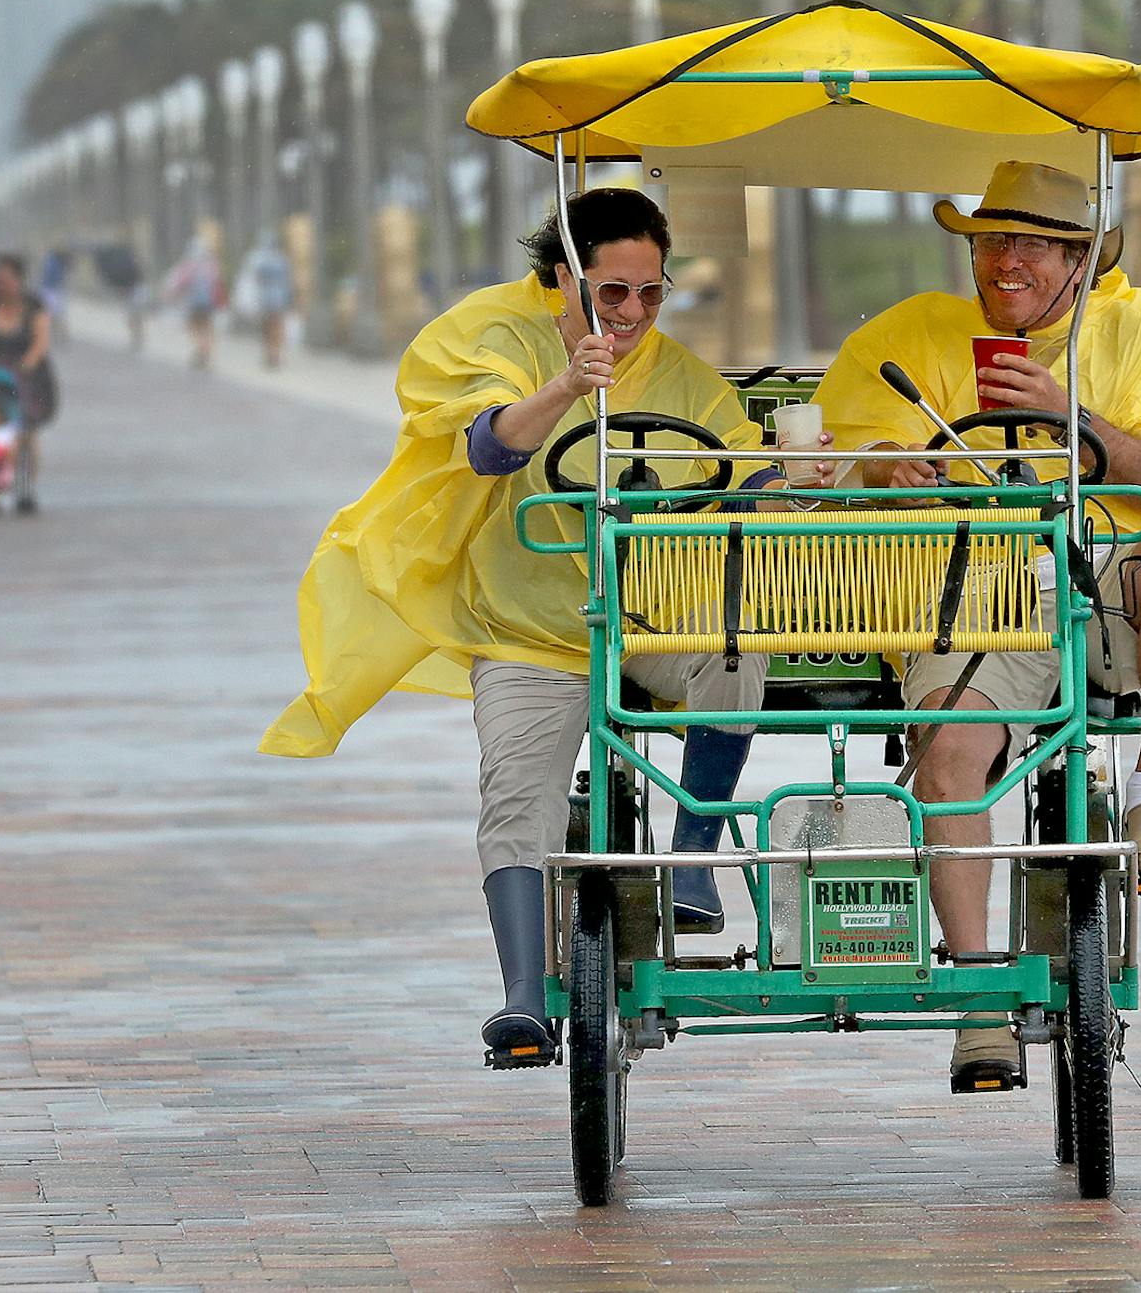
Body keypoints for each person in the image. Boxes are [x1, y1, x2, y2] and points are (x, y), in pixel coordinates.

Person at [262, 188, 833, 1068]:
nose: (634, 313)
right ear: (564, 273)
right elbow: (488, 444)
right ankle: (525, 999)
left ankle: (691, 861)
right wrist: (568, 382)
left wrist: (798, 479)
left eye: (652, 292)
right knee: (516, 795)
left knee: (734, 640)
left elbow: (743, 472)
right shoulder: (496, 334)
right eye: (613, 291)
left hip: (653, 620)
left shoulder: (678, 374)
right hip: (532, 624)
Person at [813, 160, 1141, 1091]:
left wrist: (1073, 418)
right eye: (990, 241)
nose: (1006, 260)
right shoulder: (911, 335)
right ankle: (980, 996)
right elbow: (832, 452)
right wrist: (883, 467)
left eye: (1032, 243)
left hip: (1107, 581)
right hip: (968, 589)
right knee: (948, 750)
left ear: (1081, 258)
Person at [0, 253, 56, 514]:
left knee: (26, 428)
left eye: (5, 280)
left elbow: (40, 343)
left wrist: (25, 366)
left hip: (26, 376)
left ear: (18, 280)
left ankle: (26, 485)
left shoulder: (34, 305)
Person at [164, 237, 223, 371]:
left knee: (194, 328)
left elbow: (179, 284)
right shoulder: (211, 265)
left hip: (193, 302)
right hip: (209, 303)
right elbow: (217, 282)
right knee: (207, 328)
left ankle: (202, 350)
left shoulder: (188, 266)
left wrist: (172, 295)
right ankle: (206, 353)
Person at [239, 235, 295, 369]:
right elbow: (288, 281)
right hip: (280, 298)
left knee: (266, 329)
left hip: (264, 298)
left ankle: (269, 354)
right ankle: (276, 354)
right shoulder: (282, 259)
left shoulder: (259, 260)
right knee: (277, 328)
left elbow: (254, 279)